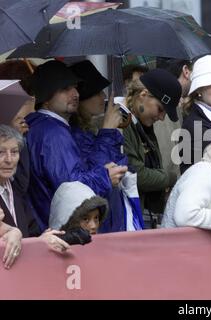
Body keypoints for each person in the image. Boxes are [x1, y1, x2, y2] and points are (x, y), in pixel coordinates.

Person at [25, 60, 127, 229]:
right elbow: (72, 191)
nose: (75, 94)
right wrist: (105, 178)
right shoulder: (52, 134)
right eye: (65, 89)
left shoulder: (47, 128)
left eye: (75, 87)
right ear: (46, 98)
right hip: (62, 234)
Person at [69, 60, 143, 232]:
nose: (103, 96)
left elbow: (121, 166)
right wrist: (108, 130)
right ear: (82, 98)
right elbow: (97, 173)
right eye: (96, 92)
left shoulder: (91, 130)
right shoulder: (74, 135)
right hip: (97, 223)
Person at [123, 68, 182, 228]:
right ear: (143, 95)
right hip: (130, 218)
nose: (162, 117)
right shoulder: (122, 124)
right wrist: (168, 178)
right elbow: (137, 175)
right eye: (160, 109)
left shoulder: (142, 124)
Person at [0, 125, 70, 253]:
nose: (9, 160)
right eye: (1, 152)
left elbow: (31, 234)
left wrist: (42, 240)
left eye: (14, 152)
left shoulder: (15, 191)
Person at [154, 57, 193, 184]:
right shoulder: (166, 103)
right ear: (186, 71)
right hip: (168, 187)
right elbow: (168, 159)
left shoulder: (172, 100)